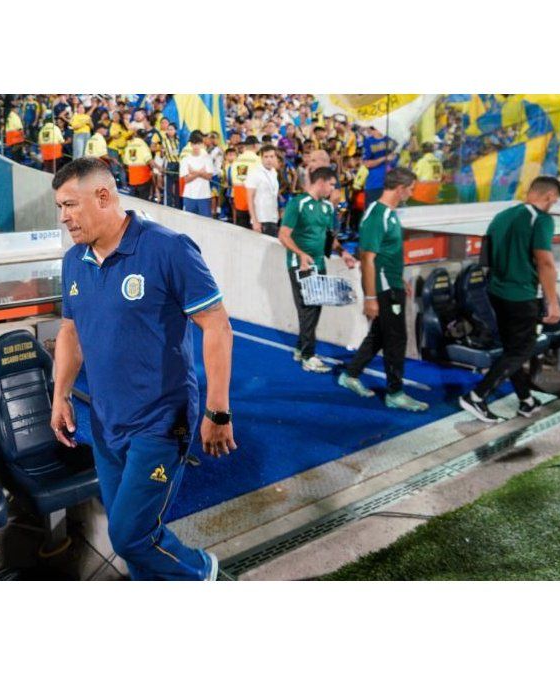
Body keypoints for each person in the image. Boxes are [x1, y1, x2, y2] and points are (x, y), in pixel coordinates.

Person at [49, 158, 235, 581]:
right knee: (132, 533)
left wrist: (218, 410)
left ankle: (204, 573)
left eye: (70, 205)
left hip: (161, 422)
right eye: (60, 207)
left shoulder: (168, 248)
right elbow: (70, 332)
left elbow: (217, 326)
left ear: (103, 196)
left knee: (129, 535)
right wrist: (60, 395)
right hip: (106, 422)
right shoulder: (74, 260)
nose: (63, 217)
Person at [459, 177, 560, 423]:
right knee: (521, 349)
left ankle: (526, 399)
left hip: (497, 292)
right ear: (549, 196)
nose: (553, 205)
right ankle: (477, 396)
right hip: (522, 296)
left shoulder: (502, 216)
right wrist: (552, 301)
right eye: (554, 200)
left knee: (511, 350)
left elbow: (486, 258)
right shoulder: (541, 219)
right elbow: (545, 262)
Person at [337, 167, 429, 411]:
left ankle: (350, 374)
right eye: (410, 189)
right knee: (396, 339)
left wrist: (400, 278)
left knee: (379, 334)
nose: (412, 193)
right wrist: (370, 298)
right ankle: (395, 393)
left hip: (392, 283)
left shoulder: (389, 214)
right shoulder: (377, 216)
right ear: (400, 189)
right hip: (384, 289)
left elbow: (389, 254)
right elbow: (367, 259)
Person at [279, 166, 359, 372]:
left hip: (319, 264)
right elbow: (283, 235)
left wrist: (343, 253)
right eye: (331, 185)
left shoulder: (327, 208)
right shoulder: (297, 204)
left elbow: (328, 237)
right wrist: (300, 254)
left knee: (314, 309)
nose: (333, 189)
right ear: (321, 182)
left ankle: (301, 349)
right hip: (301, 266)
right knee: (308, 309)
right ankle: (308, 356)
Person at [245, 145, 281, 236]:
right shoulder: (254, 173)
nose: (269, 160)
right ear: (261, 158)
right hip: (261, 219)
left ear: (275, 158)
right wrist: (254, 221)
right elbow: (250, 198)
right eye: (266, 157)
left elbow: (273, 194)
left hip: (273, 218)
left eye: (271, 156)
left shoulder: (274, 172)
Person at [179, 130, 215, 217]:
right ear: (191, 144)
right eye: (194, 144)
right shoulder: (185, 159)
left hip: (204, 196)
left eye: (198, 144)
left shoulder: (207, 158)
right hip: (189, 195)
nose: (196, 146)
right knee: (189, 221)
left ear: (202, 144)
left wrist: (193, 172)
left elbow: (209, 177)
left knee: (205, 221)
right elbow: (186, 179)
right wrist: (200, 173)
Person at [228, 137, 261, 229]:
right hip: (253, 197)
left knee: (242, 227)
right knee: (255, 227)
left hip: (239, 196)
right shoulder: (258, 160)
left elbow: (231, 178)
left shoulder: (237, 160)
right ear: (255, 145)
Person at [361, 123, 394, 204]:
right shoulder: (368, 141)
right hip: (375, 183)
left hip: (391, 183)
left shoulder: (391, 139)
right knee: (374, 209)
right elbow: (367, 163)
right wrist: (384, 158)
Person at [122, 133, 154, 200]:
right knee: (143, 198)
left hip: (132, 175)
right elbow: (148, 159)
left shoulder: (129, 145)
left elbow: (125, 161)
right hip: (143, 175)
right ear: (144, 137)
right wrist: (157, 168)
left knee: (134, 198)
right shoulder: (143, 144)